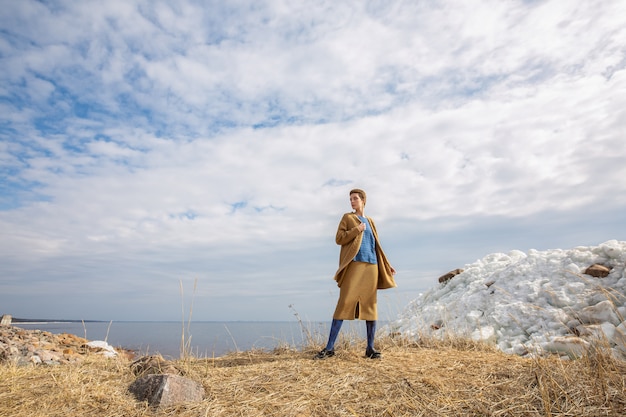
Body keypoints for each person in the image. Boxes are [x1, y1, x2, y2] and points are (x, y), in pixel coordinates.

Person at [315, 188, 396, 360]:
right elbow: (339, 238)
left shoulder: (371, 221)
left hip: (372, 266)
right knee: (344, 302)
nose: (352, 201)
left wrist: (386, 265)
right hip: (354, 265)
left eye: (355, 198)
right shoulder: (348, 218)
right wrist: (357, 230)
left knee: (370, 306)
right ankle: (329, 348)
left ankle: (370, 348)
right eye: (350, 199)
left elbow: (377, 246)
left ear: (363, 200)